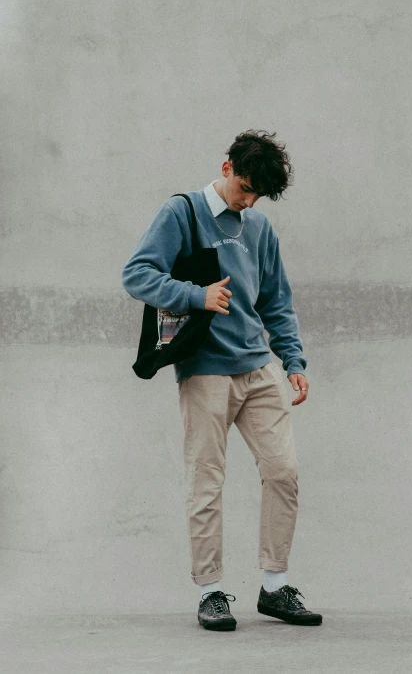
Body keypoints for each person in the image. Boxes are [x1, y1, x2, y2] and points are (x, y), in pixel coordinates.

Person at [121, 130, 322, 631]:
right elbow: (137, 273)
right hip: (206, 372)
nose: (248, 201)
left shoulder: (258, 227)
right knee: (207, 482)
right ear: (227, 167)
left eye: (257, 196)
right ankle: (211, 592)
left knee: (284, 473)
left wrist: (293, 362)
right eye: (245, 189)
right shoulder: (182, 213)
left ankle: (274, 587)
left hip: (259, 369)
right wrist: (196, 295)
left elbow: (276, 299)